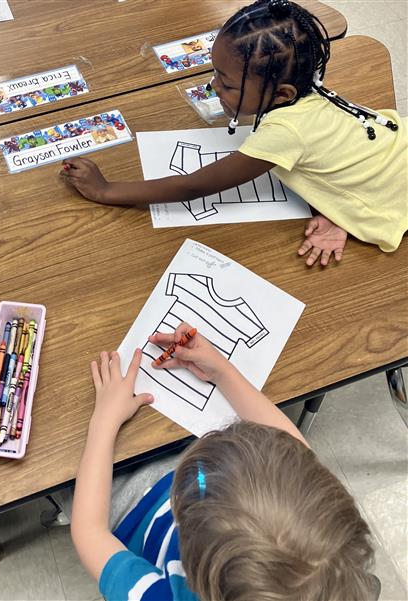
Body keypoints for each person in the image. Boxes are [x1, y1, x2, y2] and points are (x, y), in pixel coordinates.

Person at [61, 0, 407, 267]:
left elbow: (193, 186)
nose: (213, 87)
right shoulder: (309, 90)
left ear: (282, 94)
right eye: (215, 73)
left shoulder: (284, 132)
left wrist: (107, 190)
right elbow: (345, 156)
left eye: (227, 84)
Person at [70, 322, 378, 600]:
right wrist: (222, 371)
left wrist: (105, 418)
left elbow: (89, 531)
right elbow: (296, 451)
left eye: (199, 481)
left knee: (66, 475)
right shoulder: (332, 555)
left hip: (136, 511)